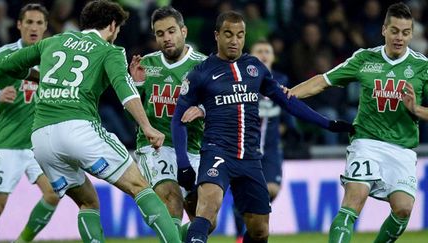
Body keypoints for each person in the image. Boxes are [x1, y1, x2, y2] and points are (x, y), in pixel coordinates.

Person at [0, 1, 182, 242]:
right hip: (79, 129)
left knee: (88, 202)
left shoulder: (53, 41)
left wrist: (34, 75)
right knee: (140, 186)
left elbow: (4, 64)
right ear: (113, 26)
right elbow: (125, 90)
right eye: (118, 30)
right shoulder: (109, 51)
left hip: (41, 139)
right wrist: (147, 127)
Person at [171, 11, 353, 243]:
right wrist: (183, 164)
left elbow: (287, 101)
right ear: (217, 35)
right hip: (217, 152)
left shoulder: (254, 68)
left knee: (260, 231)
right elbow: (178, 118)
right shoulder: (201, 72)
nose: (234, 40)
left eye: (240, 35)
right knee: (207, 210)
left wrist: (327, 124)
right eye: (228, 34)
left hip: (250, 158)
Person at [287, 2, 426, 243]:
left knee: (403, 209)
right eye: (394, 31)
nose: (399, 38)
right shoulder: (364, 58)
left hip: (402, 148)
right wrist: (287, 94)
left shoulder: (422, 66)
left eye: (405, 32)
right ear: (384, 30)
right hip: (367, 142)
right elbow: (323, 81)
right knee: (354, 198)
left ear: (412, 33)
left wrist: (415, 109)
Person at [130, 6, 205, 241]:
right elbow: (131, 113)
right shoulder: (146, 64)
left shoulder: (204, 66)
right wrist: (137, 86)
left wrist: (202, 110)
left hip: (193, 148)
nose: (166, 38)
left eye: (171, 31)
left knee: (205, 221)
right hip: (155, 146)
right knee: (172, 198)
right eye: (160, 34)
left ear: (183, 31)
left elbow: (220, 105)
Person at [0, 4, 60, 243]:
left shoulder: (52, 59)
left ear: (45, 27)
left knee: (54, 194)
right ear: (19, 25)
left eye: (39, 23)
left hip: (37, 146)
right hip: (7, 142)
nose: (34, 28)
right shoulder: (4, 55)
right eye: (29, 22)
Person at [232, 39, 292, 243]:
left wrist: (282, 129)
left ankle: (247, 230)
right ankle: (242, 236)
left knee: (271, 190)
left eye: (268, 51)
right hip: (245, 148)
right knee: (248, 193)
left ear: (274, 57)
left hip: (271, 148)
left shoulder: (282, 80)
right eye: (260, 51)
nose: (264, 54)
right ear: (251, 56)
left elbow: (288, 114)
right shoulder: (242, 81)